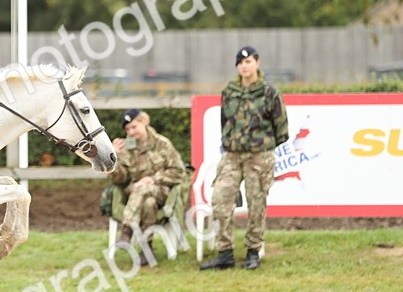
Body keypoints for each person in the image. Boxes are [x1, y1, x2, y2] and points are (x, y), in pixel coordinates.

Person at [200, 45, 289, 271]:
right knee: (220, 200)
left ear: (257, 63)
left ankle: (253, 251)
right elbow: (225, 123)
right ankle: (225, 253)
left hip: (259, 157)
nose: (244, 66)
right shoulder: (229, 91)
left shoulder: (269, 93)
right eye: (240, 63)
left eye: (248, 62)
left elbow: (282, 129)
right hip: (232, 156)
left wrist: (261, 146)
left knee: (256, 204)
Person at [109, 108, 186, 266]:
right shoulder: (127, 147)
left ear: (144, 122)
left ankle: (126, 230)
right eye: (127, 129)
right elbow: (120, 178)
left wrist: (154, 179)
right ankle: (146, 248)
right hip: (136, 195)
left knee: (144, 188)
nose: (131, 132)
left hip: (161, 190)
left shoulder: (162, 144)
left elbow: (179, 172)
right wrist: (113, 158)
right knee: (148, 202)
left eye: (134, 127)